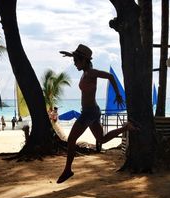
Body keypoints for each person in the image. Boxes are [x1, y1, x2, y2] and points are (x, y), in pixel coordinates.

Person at [57, 44, 137, 183]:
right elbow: (81, 59)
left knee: (71, 140)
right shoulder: (85, 71)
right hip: (91, 111)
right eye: (74, 60)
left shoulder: (92, 73)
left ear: (84, 61)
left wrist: (118, 94)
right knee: (102, 139)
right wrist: (71, 55)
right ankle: (126, 127)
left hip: (89, 113)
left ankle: (68, 170)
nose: (74, 63)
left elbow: (110, 76)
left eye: (76, 61)